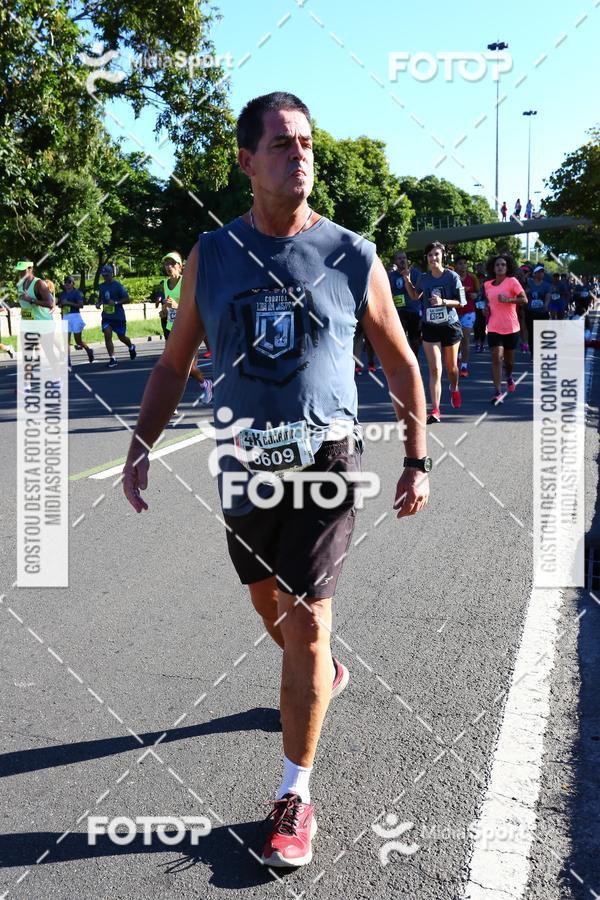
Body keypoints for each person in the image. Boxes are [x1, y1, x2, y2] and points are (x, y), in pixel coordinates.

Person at [122, 91, 430, 869]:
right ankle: (317, 672)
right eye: (283, 144)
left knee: (308, 620)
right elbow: (171, 360)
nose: (300, 156)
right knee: (271, 606)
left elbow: (397, 357)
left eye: (307, 143)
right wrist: (139, 445)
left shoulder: (352, 252)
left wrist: (416, 454)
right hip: (243, 460)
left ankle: (294, 794)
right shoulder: (211, 256)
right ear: (246, 160)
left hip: (328, 459)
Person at [404, 241, 465, 424]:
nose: (433, 258)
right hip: (430, 326)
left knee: (451, 368)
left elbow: (461, 302)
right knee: (435, 368)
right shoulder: (423, 278)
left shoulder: (452, 276)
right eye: (430, 255)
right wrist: (407, 281)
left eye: (436, 254)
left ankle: (454, 388)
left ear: (442, 256)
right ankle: (436, 409)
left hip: (450, 326)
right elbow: (415, 296)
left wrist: (443, 302)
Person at [158, 251, 213, 403]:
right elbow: (167, 305)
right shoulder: (164, 283)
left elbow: (196, 305)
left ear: (180, 267)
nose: (169, 267)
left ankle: (204, 384)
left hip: (190, 329)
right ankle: (203, 384)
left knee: (185, 368)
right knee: (172, 367)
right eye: (166, 263)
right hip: (172, 329)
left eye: (173, 264)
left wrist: (176, 306)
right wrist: (164, 311)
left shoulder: (187, 282)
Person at [482, 254, 527, 404]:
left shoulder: (512, 282)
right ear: (493, 268)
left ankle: (508, 376)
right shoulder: (487, 285)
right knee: (496, 358)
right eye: (497, 265)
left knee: (509, 362)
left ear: (507, 268)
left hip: (511, 327)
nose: (500, 267)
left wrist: (509, 300)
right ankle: (497, 391)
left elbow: (524, 299)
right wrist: (486, 310)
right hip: (494, 327)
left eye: (503, 265)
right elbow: (489, 303)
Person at [96, 264, 136, 368]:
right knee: (107, 335)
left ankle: (131, 346)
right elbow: (101, 299)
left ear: (111, 274)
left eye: (107, 275)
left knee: (122, 337)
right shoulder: (101, 286)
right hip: (106, 317)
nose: (105, 277)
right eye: (103, 275)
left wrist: (116, 302)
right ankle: (113, 358)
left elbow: (127, 299)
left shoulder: (118, 286)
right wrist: (99, 303)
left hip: (118, 317)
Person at [388, 250, 422, 358]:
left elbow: (421, 291)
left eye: (404, 258)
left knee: (414, 339)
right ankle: (402, 361)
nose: (402, 260)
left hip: (414, 311)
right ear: (395, 261)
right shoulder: (391, 276)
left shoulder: (416, 273)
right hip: (399, 312)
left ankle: (415, 359)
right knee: (399, 339)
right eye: (399, 258)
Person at [58, 276, 94, 365]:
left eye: (69, 282)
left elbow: (81, 305)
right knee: (66, 340)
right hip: (65, 316)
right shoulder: (62, 294)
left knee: (78, 341)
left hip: (75, 316)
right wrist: (61, 306)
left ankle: (88, 350)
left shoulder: (77, 293)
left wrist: (68, 303)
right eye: (65, 282)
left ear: (73, 284)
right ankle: (68, 360)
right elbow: (60, 304)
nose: (67, 284)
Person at [454, 256, 479, 377]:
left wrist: (475, 295)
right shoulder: (452, 277)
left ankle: (464, 366)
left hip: (469, 311)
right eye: (460, 263)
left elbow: (478, 292)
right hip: (454, 312)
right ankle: (458, 355)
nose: (463, 266)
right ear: (456, 266)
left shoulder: (472, 278)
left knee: (465, 339)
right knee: (455, 339)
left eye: (465, 263)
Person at [524, 264, 551, 358]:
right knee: (531, 333)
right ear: (534, 274)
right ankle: (533, 353)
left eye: (542, 272)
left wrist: (546, 304)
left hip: (542, 313)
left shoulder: (546, 285)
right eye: (539, 272)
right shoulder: (529, 283)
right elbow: (524, 292)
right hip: (530, 313)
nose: (541, 274)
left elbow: (547, 296)